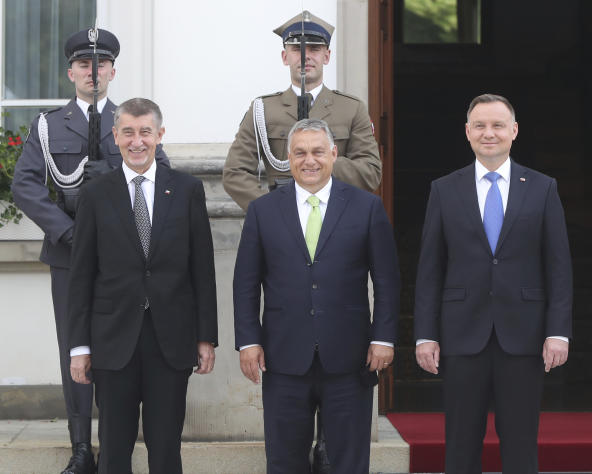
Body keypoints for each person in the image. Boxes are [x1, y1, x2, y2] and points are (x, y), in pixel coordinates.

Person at [11, 28, 169, 474]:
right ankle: (81, 447)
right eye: (84, 65)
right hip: (69, 254)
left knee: (120, 350)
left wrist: (118, 172)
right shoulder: (48, 125)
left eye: (100, 65)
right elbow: (25, 185)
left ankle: (115, 447)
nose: (92, 72)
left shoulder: (132, 122)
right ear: (71, 72)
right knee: (75, 346)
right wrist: (68, 233)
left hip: (122, 257)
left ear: (112, 71)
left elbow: (164, 174)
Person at [413, 93, 573, 473]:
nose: (489, 133)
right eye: (480, 126)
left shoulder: (542, 187)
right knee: (461, 445)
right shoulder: (444, 189)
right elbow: (430, 268)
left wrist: (558, 332)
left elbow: (559, 267)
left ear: (514, 131)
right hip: (461, 334)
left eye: (498, 125)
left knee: (520, 445)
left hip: (524, 335)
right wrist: (425, 334)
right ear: (467, 132)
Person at [233, 118, 400, 473]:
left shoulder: (366, 207)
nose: (310, 160)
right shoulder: (263, 211)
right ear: (288, 157)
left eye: (318, 152)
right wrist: (248, 341)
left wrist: (383, 338)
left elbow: (387, 281)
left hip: (351, 357)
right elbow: (246, 282)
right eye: (300, 153)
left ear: (334, 154)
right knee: (284, 459)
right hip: (283, 357)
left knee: (348, 461)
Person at [65, 98, 217, 473]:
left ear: (159, 136)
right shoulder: (96, 194)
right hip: (113, 341)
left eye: (145, 132)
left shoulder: (187, 190)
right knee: (114, 450)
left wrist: (205, 338)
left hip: (171, 341)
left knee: (166, 450)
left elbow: (203, 270)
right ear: (115, 136)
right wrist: (79, 347)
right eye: (128, 132)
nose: (137, 141)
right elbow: (81, 275)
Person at [223, 10, 381, 212]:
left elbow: (371, 172)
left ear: (327, 56)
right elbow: (234, 172)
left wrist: (322, 162)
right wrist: (268, 210)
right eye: (297, 49)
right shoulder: (263, 110)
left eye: (314, 48)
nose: (306, 56)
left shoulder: (351, 108)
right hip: (281, 214)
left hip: (335, 213)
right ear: (284, 56)